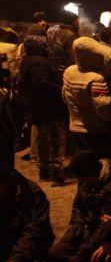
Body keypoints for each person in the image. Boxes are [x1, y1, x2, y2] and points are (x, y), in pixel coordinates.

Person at [18, 31, 68, 185]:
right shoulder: (38, 62)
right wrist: (59, 88)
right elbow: (41, 84)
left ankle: (45, 170)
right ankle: (56, 173)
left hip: (37, 107)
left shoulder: (27, 59)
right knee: (55, 139)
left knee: (43, 141)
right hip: (47, 108)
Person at [62, 37, 111, 159]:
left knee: (84, 161)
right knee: (100, 162)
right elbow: (103, 106)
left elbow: (64, 96)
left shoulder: (69, 71)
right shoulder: (95, 78)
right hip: (95, 129)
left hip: (75, 126)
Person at [47, 10, 79, 76]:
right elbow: (74, 58)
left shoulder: (53, 31)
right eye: (77, 20)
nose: (79, 22)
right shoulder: (71, 36)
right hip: (65, 70)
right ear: (73, 22)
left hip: (52, 66)